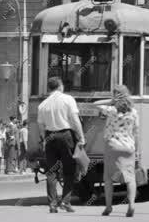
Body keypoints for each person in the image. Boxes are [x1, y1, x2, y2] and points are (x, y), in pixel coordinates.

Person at [37, 76, 85, 213]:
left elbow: (40, 126)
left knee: (51, 172)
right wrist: (81, 137)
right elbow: (75, 120)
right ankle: (65, 201)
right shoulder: (68, 99)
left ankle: (52, 204)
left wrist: (43, 140)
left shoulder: (43, 104)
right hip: (65, 135)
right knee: (69, 170)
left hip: (49, 136)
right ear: (60, 86)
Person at [94, 85, 141, 218]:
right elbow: (136, 132)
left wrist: (111, 101)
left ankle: (109, 207)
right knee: (130, 178)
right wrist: (136, 149)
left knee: (108, 178)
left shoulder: (112, 110)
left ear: (116, 96)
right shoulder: (134, 112)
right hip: (129, 147)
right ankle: (131, 204)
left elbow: (95, 104)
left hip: (113, 146)